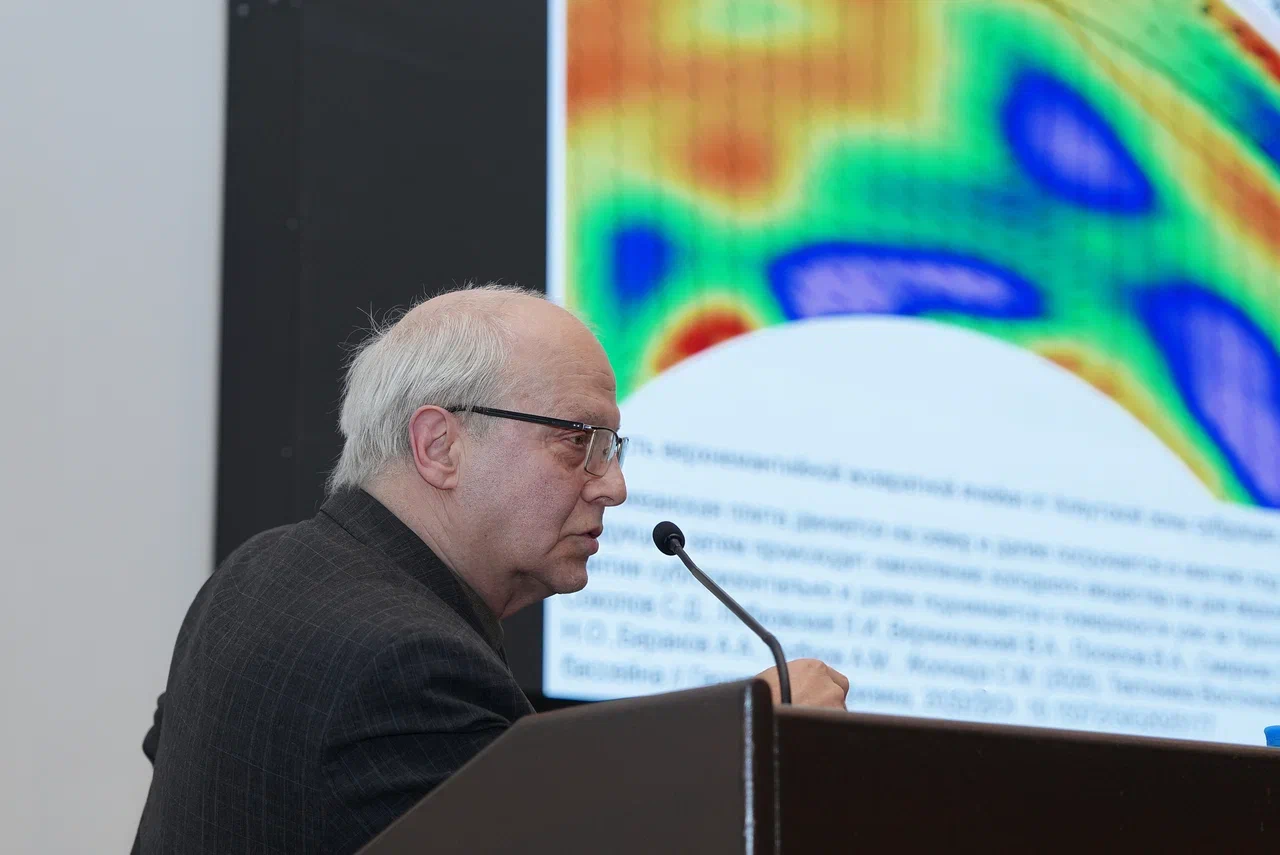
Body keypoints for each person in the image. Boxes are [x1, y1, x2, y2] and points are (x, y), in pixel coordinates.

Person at [133, 284, 850, 853]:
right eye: (579, 441)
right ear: (439, 446)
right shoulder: (410, 661)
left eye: (612, 447)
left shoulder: (255, 571)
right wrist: (745, 738)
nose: (613, 485)